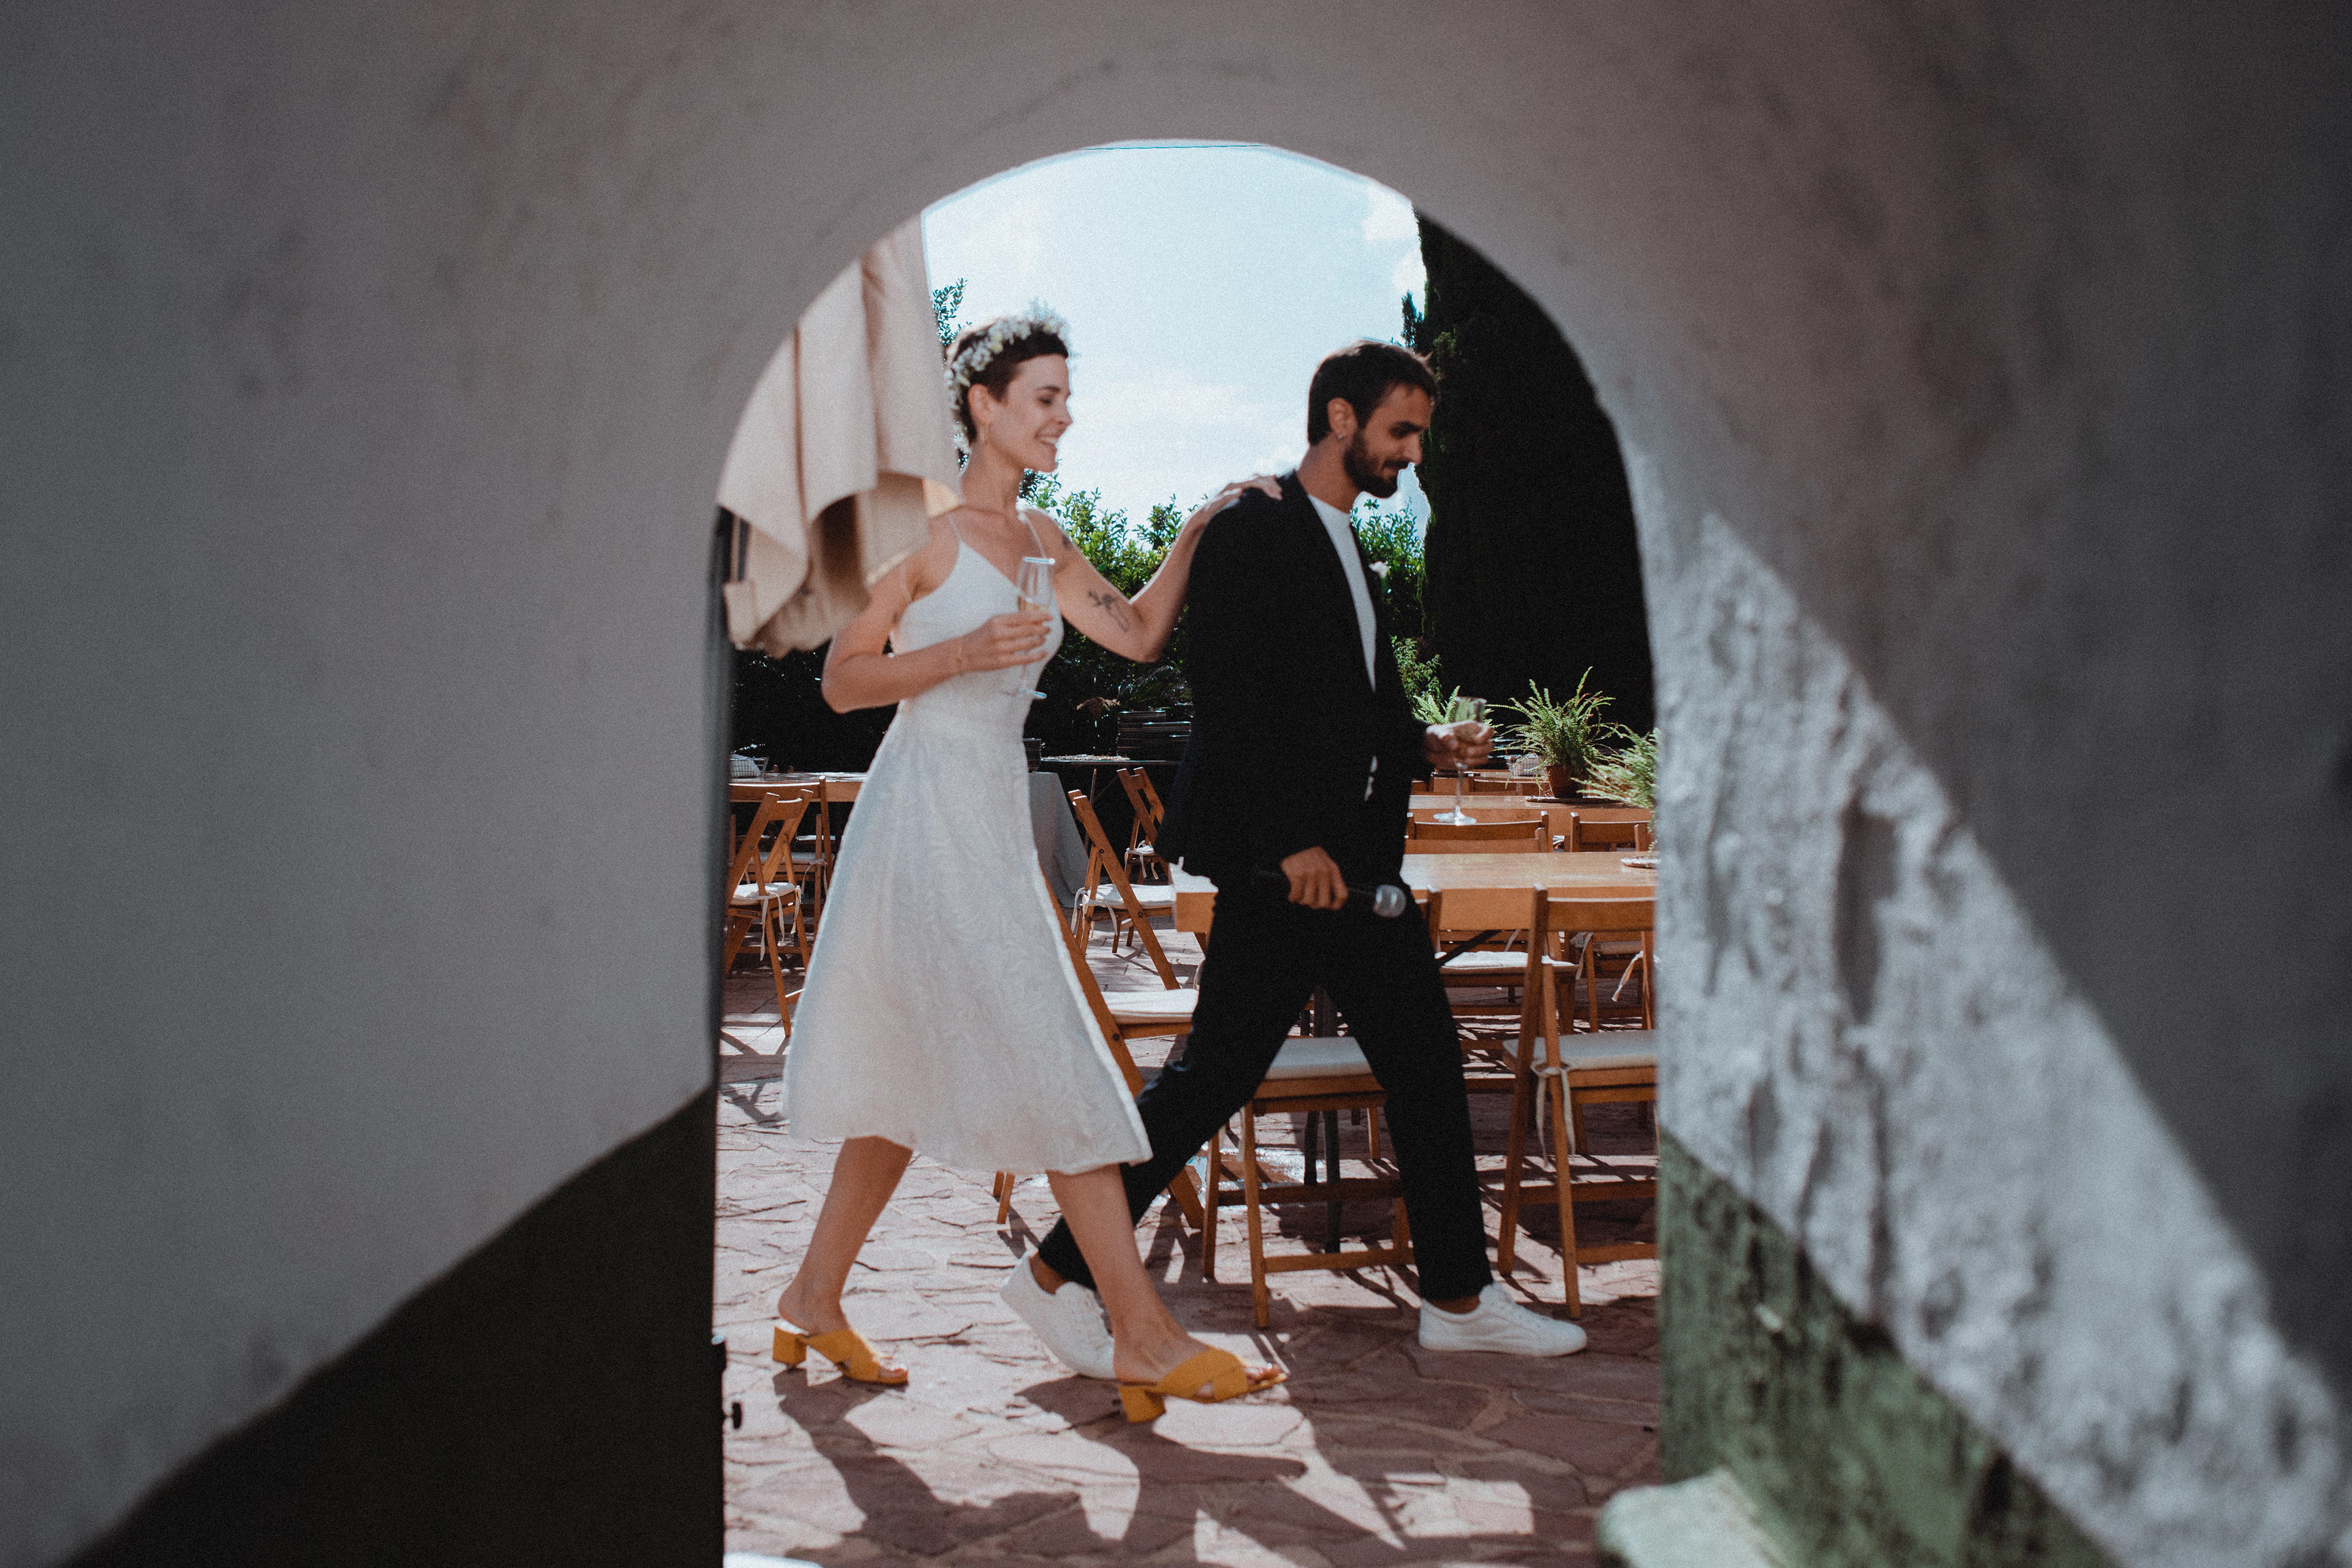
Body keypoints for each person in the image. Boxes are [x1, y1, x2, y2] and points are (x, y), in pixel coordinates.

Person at [1017, 340, 1589, 1362]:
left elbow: (1348, 709)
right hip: (1292, 872)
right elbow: (1234, 698)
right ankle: (1056, 1271)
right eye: (1401, 431)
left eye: (1419, 435)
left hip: (1358, 870)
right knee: (1212, 1080)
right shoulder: (1256, 527)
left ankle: (1458, 1301)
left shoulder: (1344, 541)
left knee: (1422, 1068)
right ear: (1341, 418)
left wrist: (1425, 743)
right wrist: (1289, 843)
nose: (1413, 453)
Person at [772, 306, 1284, 1420]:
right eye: (1046, 398)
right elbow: (844, 680)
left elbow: (1137, 634)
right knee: (1057, 1059)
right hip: (922, 821)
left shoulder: (1046, 541)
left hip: (993, 821)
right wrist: (959, 652)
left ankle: (812, 1296)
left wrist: (1198, 526)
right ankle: (1140, 1331)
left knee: (901, 1086)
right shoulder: (922, 531)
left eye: (1066, 398)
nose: (1064, 417)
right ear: (984, 404)